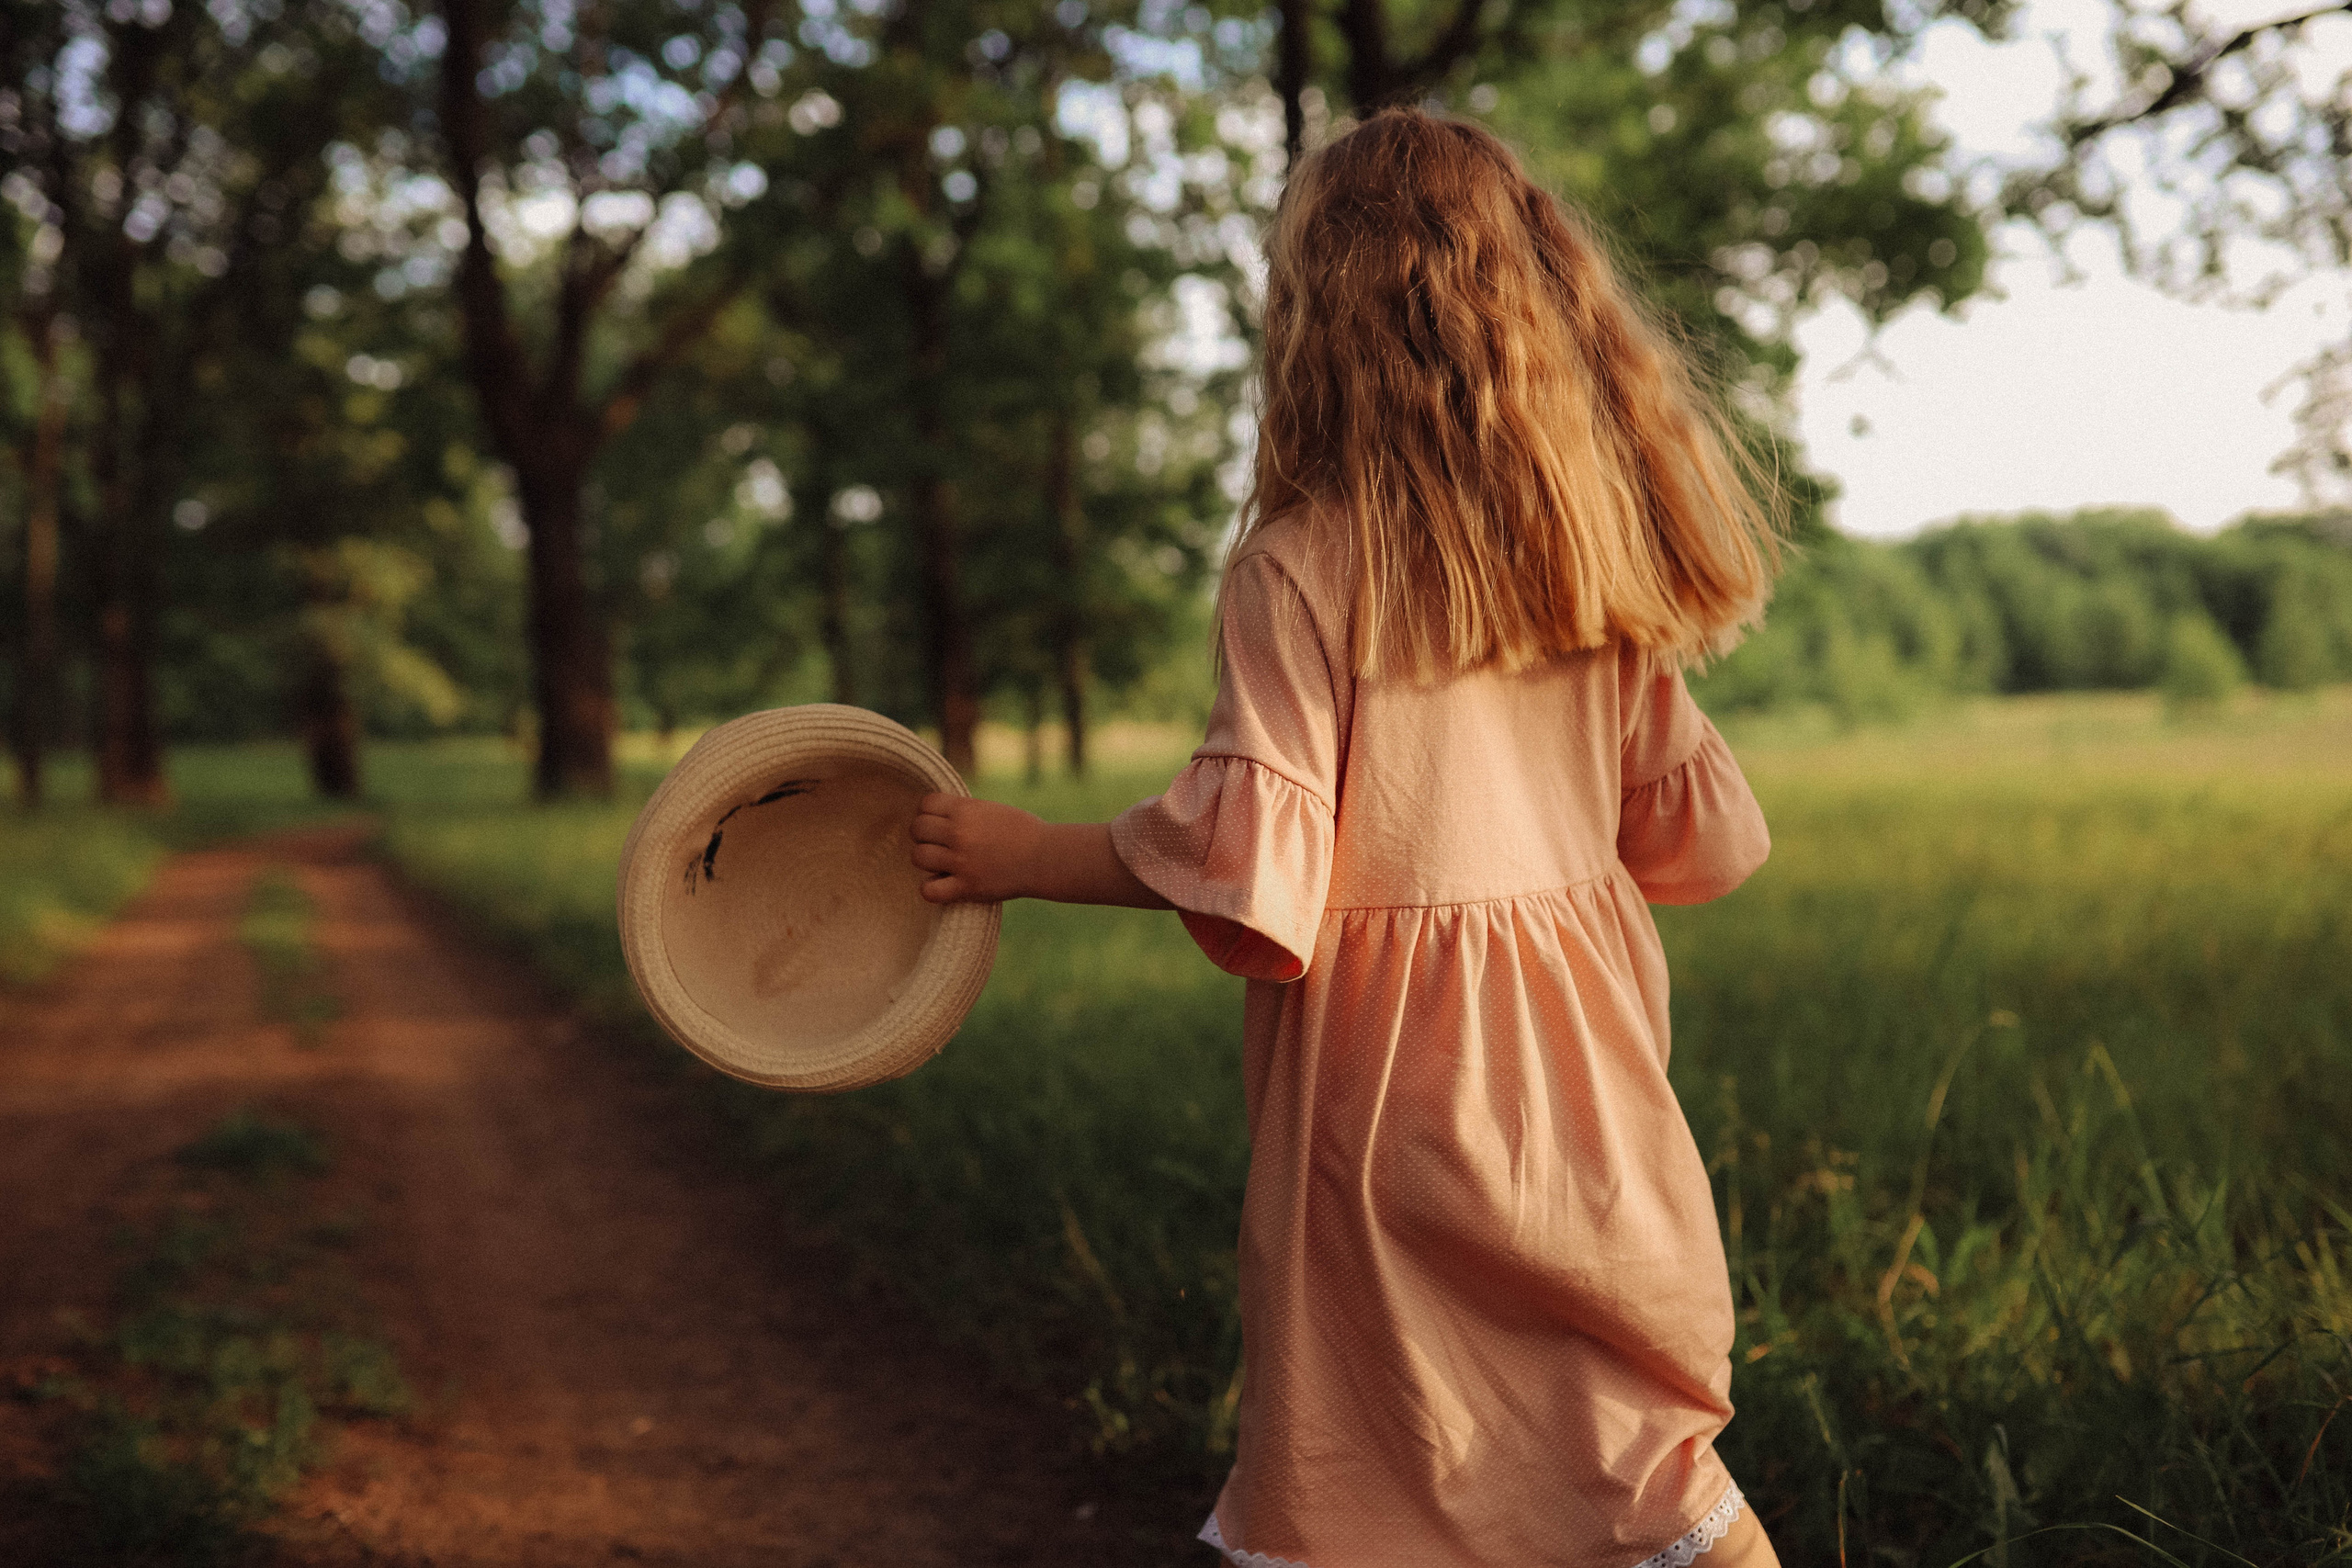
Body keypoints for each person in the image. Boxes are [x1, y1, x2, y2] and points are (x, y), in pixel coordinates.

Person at [910, 107, 1782, 1568]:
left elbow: (1252, 870)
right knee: (1625, 1428)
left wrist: (1023, 854)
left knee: (1387, 1440)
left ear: (1314, 326)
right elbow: (1706, 846)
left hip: (1385, 1101)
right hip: (1591, 1095)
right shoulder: (1583, 560)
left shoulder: (1297, 569)